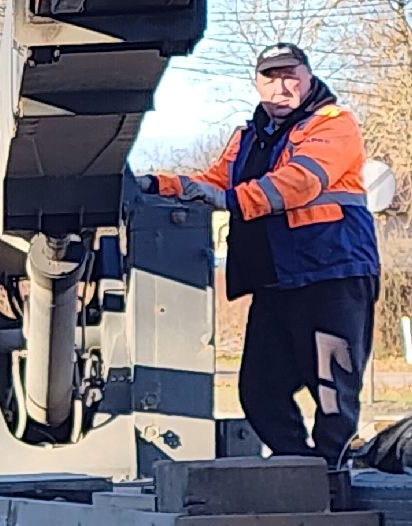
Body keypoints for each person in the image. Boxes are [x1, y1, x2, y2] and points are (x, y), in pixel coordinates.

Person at [141, 42, 381, 466]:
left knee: (332, 392)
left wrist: (229, 200)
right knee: (260, 390)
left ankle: (333, 477)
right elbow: (212, 181)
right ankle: (301, 471)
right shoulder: (248, 136)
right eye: (270, 77)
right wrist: (159, 185)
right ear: (256, 84)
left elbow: (299, 182)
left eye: (291, 76)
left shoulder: (333, 123)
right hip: (276, 279)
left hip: (331, 272)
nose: (281, 86)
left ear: (308, 78)